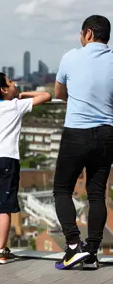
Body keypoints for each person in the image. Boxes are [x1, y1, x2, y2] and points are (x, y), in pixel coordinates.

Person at [0, 73, 51, 264]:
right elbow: (47, 96)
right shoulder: (16, 105)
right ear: (5, 89)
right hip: (9, 160)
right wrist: (24, 94)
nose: (15, 85)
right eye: (11, 83)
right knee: (5, 207)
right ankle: (1, 251)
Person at [54, 15, 113, 270]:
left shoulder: (71, 57)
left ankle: (73, 246)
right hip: (107, 134)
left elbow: (58, 93)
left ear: (88, 33)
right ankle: (91, 252)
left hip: (76, 132)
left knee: (62, 189)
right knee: (97, 194)